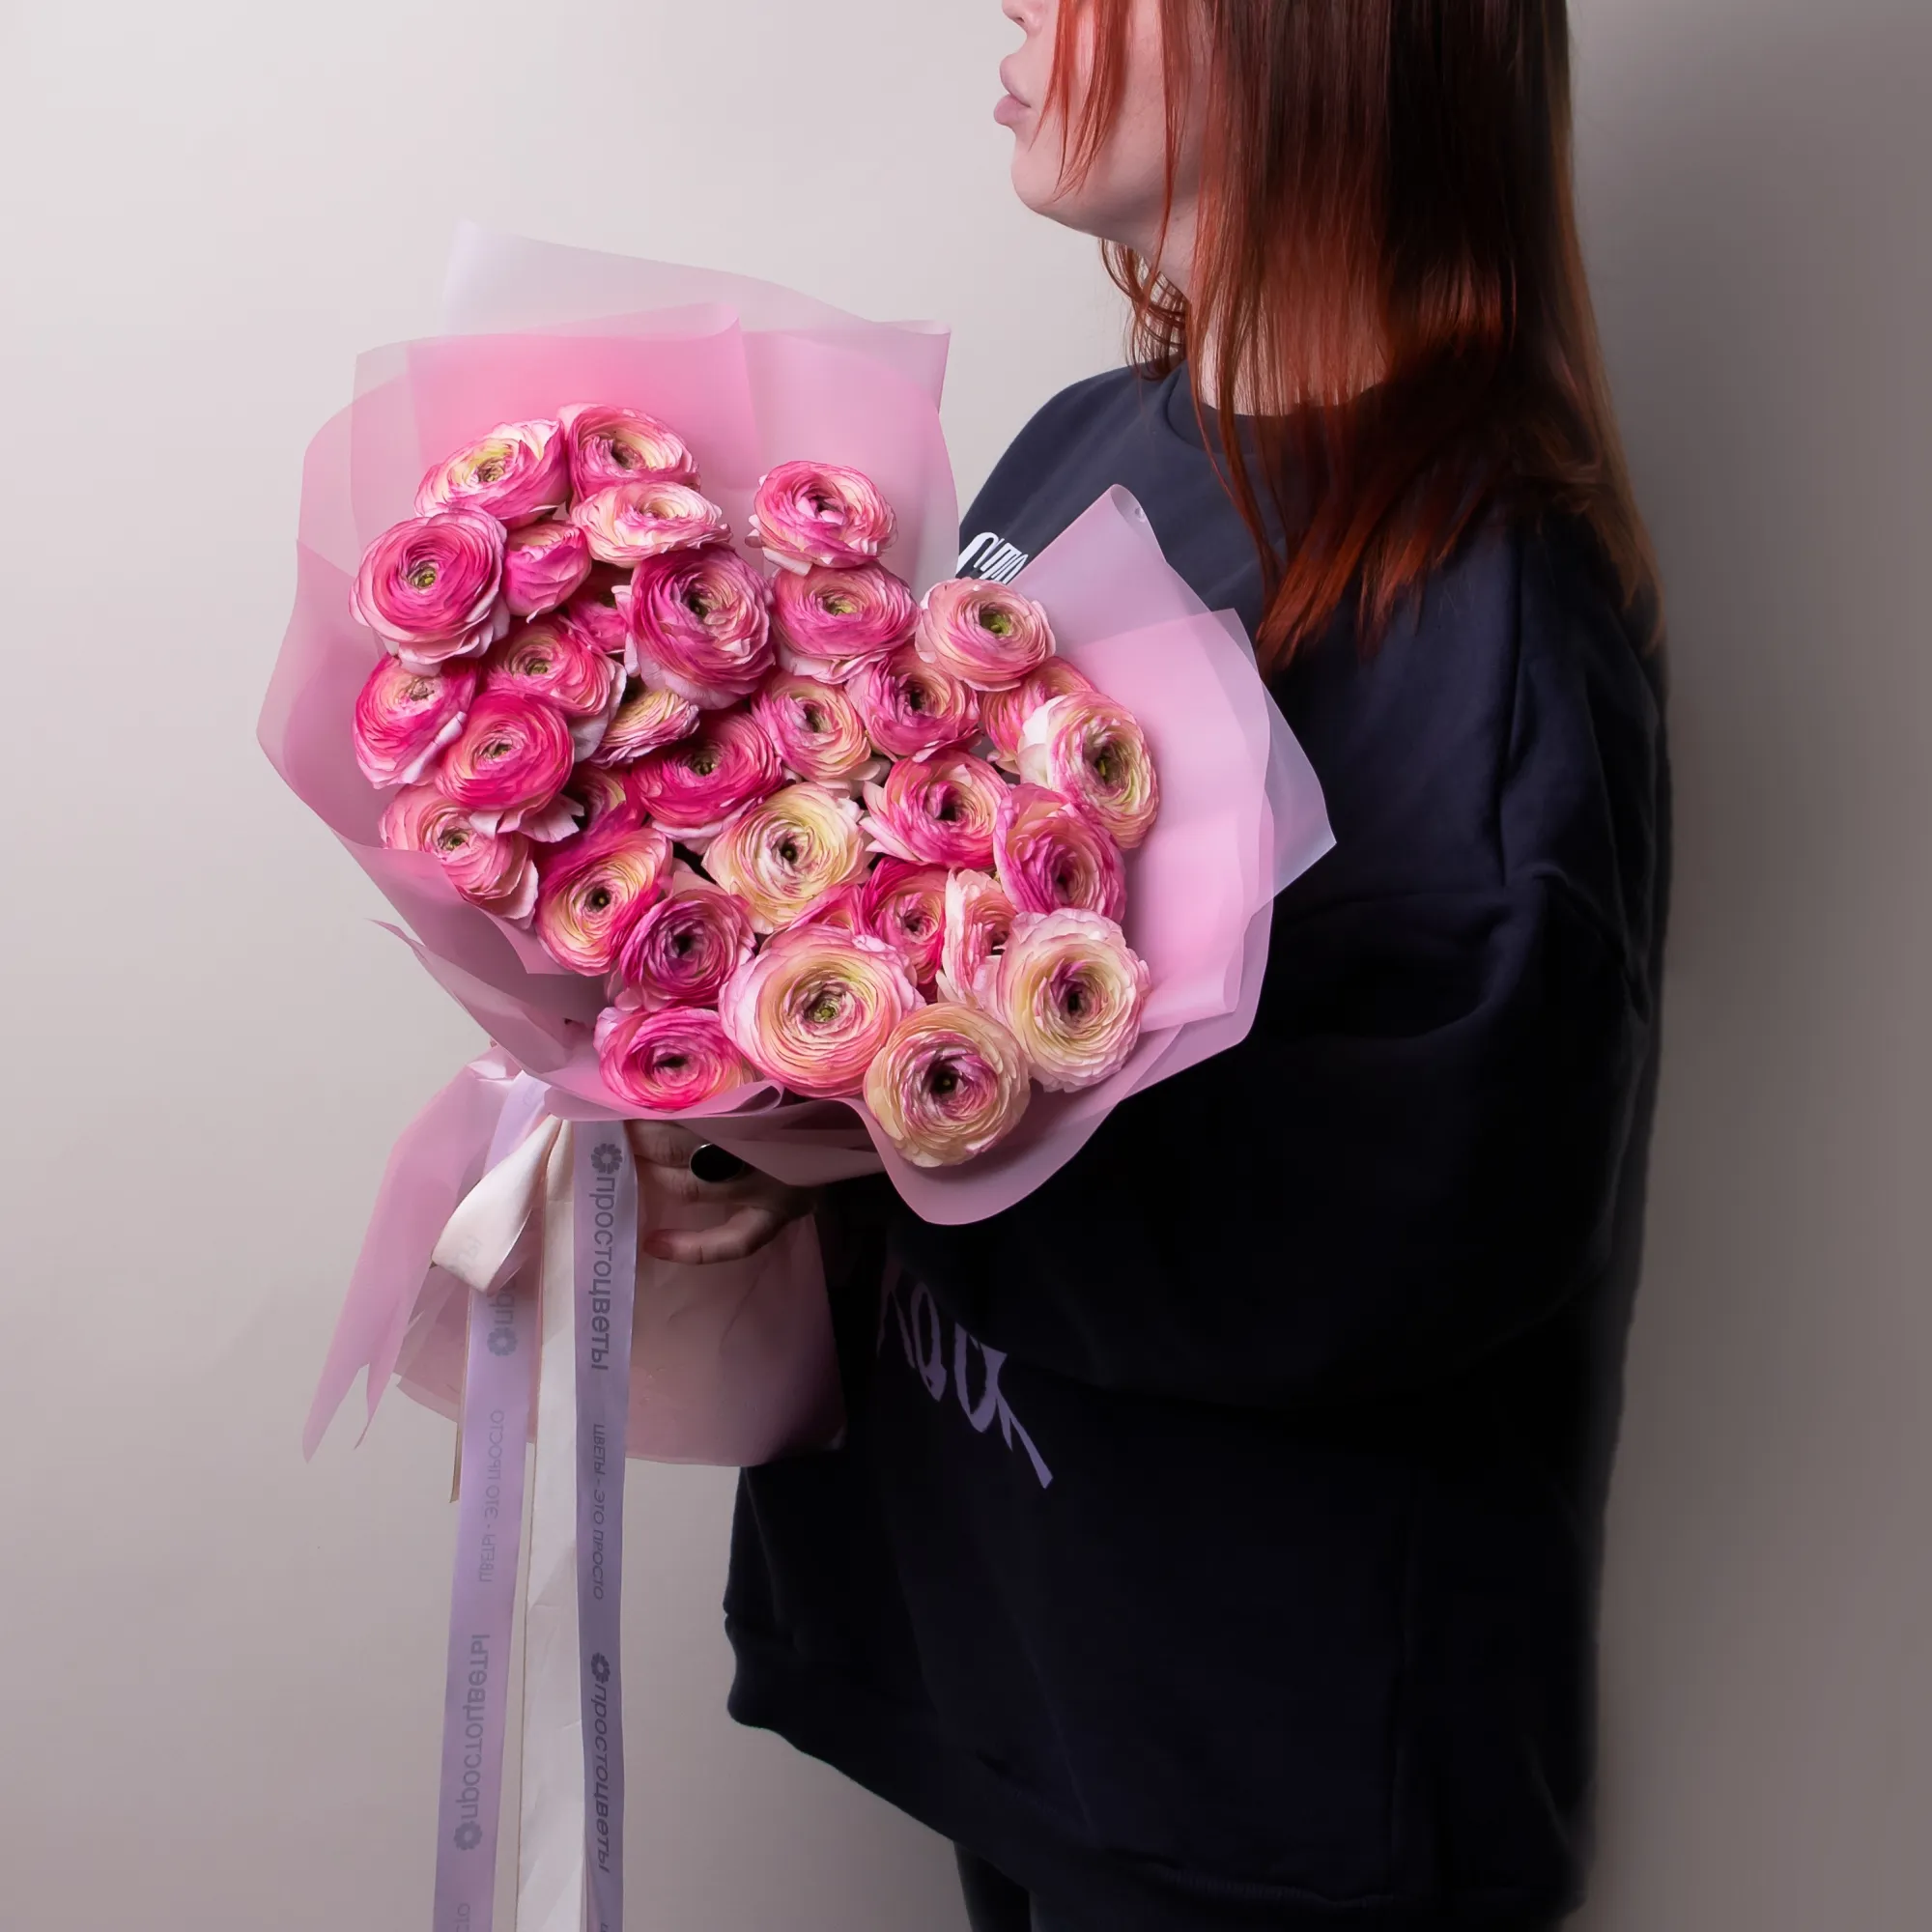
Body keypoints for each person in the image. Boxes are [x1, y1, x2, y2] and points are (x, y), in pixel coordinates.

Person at [629, 1, 1670, 1926]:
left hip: (1251, 1786)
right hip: (1027, 1657)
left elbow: (1407, 1231)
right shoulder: (1089, 447)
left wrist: (879, 1145)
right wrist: (732, 1111)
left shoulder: (1481, 610)